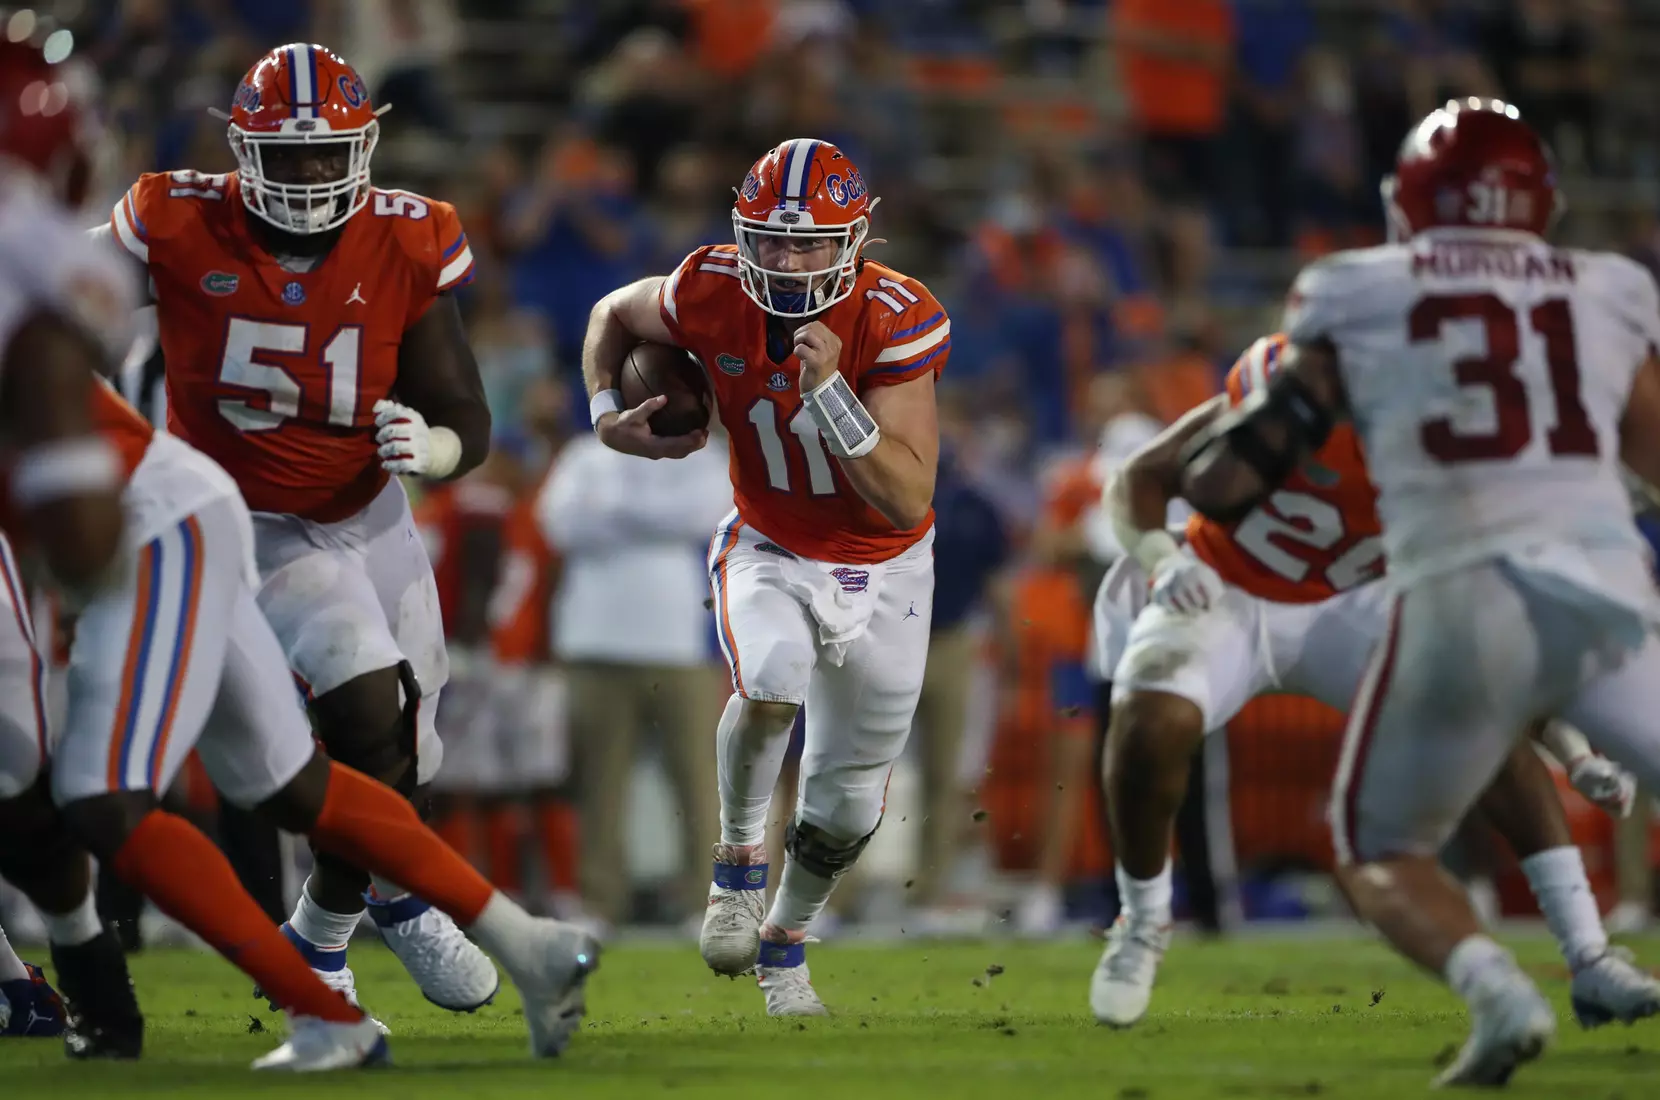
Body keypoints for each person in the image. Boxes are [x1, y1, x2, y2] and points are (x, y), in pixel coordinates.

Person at [1177, 98, 1660, 1085]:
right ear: (1541, 203)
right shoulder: (1609, 287)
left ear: (1408, 207)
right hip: (1607, 586)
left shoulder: (1352, 290)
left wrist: (1211, 471)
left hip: (1459, 593)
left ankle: (1498, 991)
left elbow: (1237, 474)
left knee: (1379, 847)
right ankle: (1577, 961)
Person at [1091, 331, 1657, 1035]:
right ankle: (1142, 922)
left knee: (1482, 719)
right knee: (1149, 724)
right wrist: (1160, 558)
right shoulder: (1293, 388)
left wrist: (1575, 752)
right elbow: (1139, 478)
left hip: (1350, 603)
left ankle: (1590, 955)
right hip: (1226, 589)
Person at [99, 43, 496, 1015]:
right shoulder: (175, 217)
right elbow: (46, 303)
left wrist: (434, 447)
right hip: (254, 523)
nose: (315, 175)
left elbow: (466, 414)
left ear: (364, 147)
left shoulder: (409, 235)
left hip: (370, 514)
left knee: (413, 757)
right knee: (365, 705)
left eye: (331, 154)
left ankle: (332, 927)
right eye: (291, 154)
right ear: (243, 148)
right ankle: (369, 919)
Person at [582, 139, 944, 1014]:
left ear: (855, 241)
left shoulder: (897, 315)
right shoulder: (708, 286)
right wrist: (604, 414)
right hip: (769, 540)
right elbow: (612, 316)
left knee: (850, 806)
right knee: (772, 679)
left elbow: (904, 497)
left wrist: (829, 395)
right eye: (771, 241)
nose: (786, 260)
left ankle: (786, 944)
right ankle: (736, 868)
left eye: (810, 243)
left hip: (886, 568)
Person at [536, 417, 730, 936]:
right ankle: (600, 904)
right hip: (593, 640)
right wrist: (655, 520)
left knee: (697, 781)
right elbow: (557, 524)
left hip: (679, 643)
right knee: (599, 784)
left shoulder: (698, 454)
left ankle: (707, 903)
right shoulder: (582, 454)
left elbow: (708, 515)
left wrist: (612, 515)